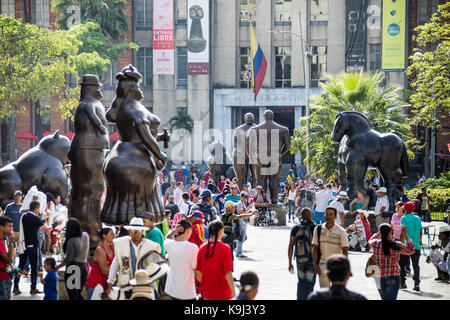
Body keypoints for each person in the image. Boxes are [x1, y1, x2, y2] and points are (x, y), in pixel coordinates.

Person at [106, 217, 161, 294]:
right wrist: (110, 282)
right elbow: (115, 264)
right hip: (126, 284)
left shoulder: (150, 246)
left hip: (145, 284)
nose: (135, 234)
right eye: (133, 231)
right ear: (129, 231)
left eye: (137, 231)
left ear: (142, 231)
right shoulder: (122, 244)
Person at [13, 201, 52, 295]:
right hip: (33, 247)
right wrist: (54, 225)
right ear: (36, 209)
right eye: (38, 209)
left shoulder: (24, 216)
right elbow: (46, 229)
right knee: (34, 268)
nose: (39, 211)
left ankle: (15, 286)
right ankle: (33, 288)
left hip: (23, 246)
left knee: (20, 267)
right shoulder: (35, 218)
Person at [369, 224, 415, 300]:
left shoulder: (375, 243)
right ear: (390, 232)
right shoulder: (397, 245)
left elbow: (369, 241)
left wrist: (377, 234)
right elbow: (411, 250)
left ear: (380, 233)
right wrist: (406, 236)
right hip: (393, 275)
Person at [195, 220, 235, 300]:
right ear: (221, 231)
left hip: (206, 292)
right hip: (222, 292)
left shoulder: (202, 248)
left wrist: (207, 281)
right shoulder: (225, 248)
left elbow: (197, 272)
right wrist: (233, 291)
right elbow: (228, 273)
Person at [312, 206, 349, 288]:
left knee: (336, 292)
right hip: (323, 264)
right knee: (324, 291)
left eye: (331, 214)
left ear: (335, 216)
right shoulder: (318, 229)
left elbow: (345, 250)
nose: (328, 216)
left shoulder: (341, 231)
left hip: (337, 265)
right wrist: (315, 265)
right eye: (326, 214)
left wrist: (345, 267)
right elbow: (315, 249)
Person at [55, 218, 89, 300]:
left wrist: (57, 267)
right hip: (84, 267)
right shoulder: (85, 236)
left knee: (73, 295)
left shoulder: (71, 240)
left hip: (73, 269)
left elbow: (68, 259)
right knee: (77, 294)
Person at [164, 219, 199, 300]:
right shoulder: (192, 247)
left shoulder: (169, 244)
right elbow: (196, 271)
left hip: (172, 290)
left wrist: (173, 232)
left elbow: (166, 238)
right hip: (187, 292)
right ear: (188, 230)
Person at [288, 208, 316, 300]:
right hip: (311, 260)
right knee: (310, 283)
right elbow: (317, 246)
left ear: (301, 216)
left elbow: (291, 245)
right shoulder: (314, 227)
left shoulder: (295, 228)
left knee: (301, 282)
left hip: (300, 260)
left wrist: (290, 263)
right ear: (311, 216)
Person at [85, 227, 115, 299]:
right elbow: (104, 270)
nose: (113, 235)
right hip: (95, 284)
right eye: (111, 234)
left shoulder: (112, 248)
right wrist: (116, 277)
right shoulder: (100, 249)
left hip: (106, 283)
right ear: (104, 236)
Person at [399, 201, 423, 291]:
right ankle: (416, 284)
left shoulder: (404, 218)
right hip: (416, 245)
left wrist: (402, 241)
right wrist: (419, 242)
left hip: (406, 245)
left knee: (402, 264)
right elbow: (420, 231)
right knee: (415, 264)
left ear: (405, 209)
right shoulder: (418, 218)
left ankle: (402, 282)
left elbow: (403, 230)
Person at [4, 190, 23, 262]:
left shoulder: (24, 207)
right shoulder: (9, 207)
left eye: (19, 196)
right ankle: (12, 265)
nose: (18, 198)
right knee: (12, 249)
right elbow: (6, 219)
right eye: (16, 196)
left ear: (21, 197)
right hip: (12, 231)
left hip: (21, 232)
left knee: (22, 251)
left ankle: (21, 267)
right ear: (14, 197)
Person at [235, 192, 255, 258]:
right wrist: (248, 208)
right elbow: (241, 213)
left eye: (247, 197)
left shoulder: (243, 203)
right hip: (240, 223)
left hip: (244, 223)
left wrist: (251, 212)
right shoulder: (239, 204)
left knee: (243, 238)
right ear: (241, 197)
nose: (246, 199)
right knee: (241, 238)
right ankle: (239, 253)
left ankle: (238, 251)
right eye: (245, 197)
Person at [0, 216, 14, 300]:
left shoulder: (3, 240)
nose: (11, 229)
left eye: (12, 226)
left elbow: (9, 258)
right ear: (1, 227)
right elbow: (8, 260)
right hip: (2, 277)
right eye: (9, 226)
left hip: (6, 276)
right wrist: (10, 242)